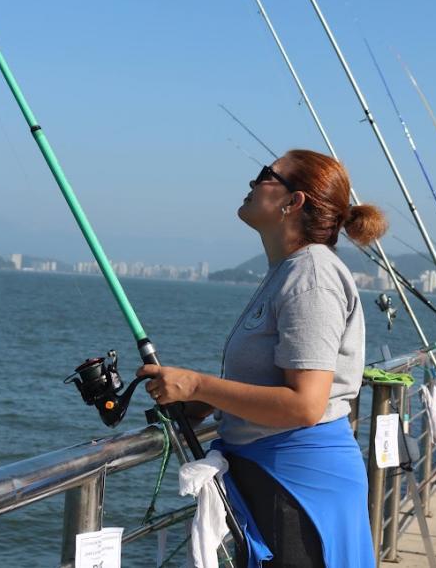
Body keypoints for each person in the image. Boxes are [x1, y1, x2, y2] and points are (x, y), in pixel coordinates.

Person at [137, 150, 384, 566]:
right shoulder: (289, 270)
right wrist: (206, 403)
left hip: (298, 485)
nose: (252, 183)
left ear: (294, 201)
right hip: (275, 477)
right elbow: (273, 381)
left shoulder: (312, 275)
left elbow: (305, 404)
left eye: (265, 175)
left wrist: (197, 384)